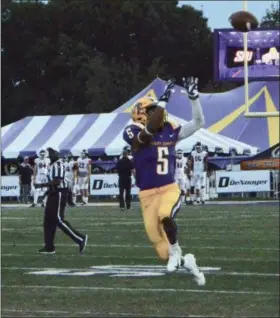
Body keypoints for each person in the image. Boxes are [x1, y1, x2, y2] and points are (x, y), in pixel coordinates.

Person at [123, 77, 206, 286]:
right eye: (150, 110)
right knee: (160, 249)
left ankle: (177, 251)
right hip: (146, 195)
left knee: (165, 215)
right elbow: (148, 133)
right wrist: (164, 99)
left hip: (169, 188)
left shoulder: (170, 129)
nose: (157, 113)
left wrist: (193, 98)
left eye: (155, 109)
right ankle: (188, 261)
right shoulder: (132, 130)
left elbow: (198, 123)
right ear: (141, 114)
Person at [34, 147, 88, 254]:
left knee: (58, 219)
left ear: (56, 153)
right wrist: (45, 193)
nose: (48, 155)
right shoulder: (54, 164)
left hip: (59, 193)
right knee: (48, 221)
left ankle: (80, 239)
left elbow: (57, 181)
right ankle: (49, 247)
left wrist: (41, 185)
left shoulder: (58, 164)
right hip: (53, 193)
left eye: (50, 152)